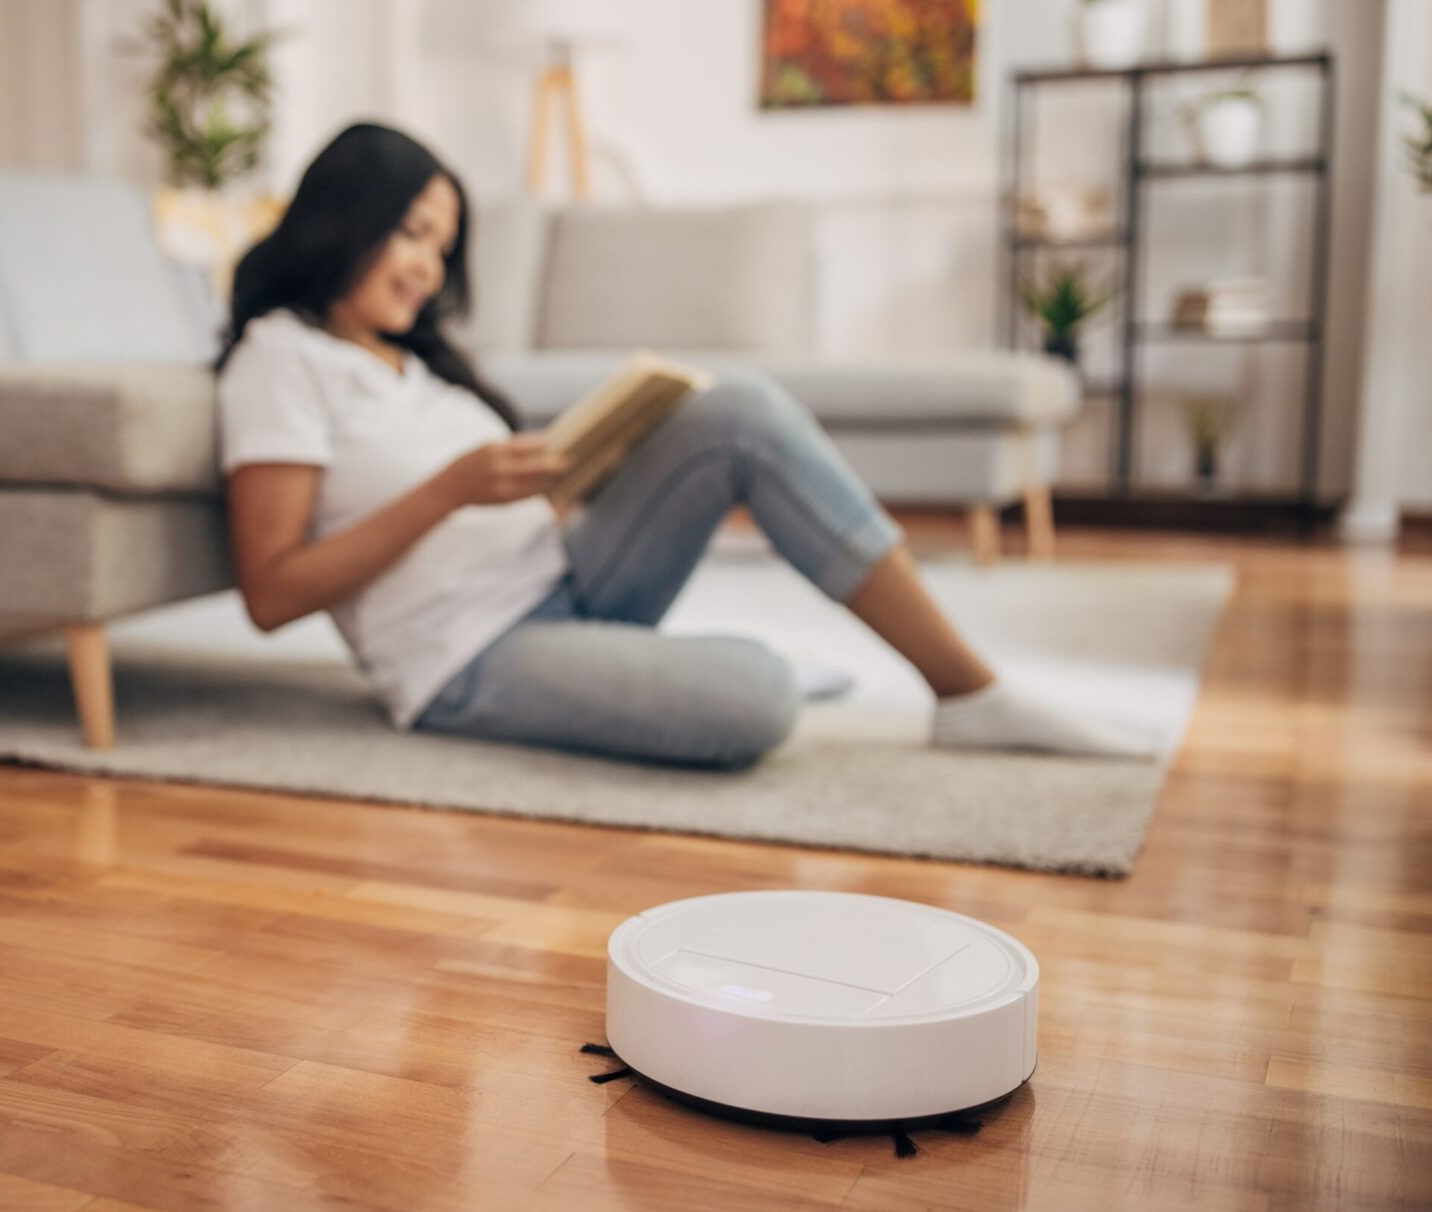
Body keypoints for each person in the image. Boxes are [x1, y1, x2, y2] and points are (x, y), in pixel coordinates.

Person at [213, 122, 1154, 769]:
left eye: (442, 247)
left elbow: (491, 500)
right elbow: (271, 593)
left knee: (735, 409)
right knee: (759, 699)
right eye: (413, 235)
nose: (428, 269)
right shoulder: (279, 359)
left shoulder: (415, 362)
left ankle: (971, 692)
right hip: (467, 657)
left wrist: (573, 475)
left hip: (567, 574)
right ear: (346, 217)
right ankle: (714, 669)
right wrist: (450, 491)